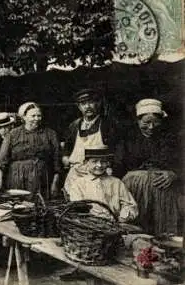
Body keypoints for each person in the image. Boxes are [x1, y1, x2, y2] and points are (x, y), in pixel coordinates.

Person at [115, 99, 181, 235]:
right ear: (138, 121)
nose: (151, 127)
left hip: (163, 190)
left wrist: (174, 174)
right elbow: (118, 166)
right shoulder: (128, 139)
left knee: (162, 231)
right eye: (146, 123)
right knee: (136, 226)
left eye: (155, 122)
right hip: (133, 190)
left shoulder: (172, 139)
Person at [0, 102, 61, 199]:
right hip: (16, 178)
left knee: (39, 206)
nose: (36, 119)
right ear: (24, 117)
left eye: (39, 116)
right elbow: (2, 160)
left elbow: (56, 159)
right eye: (33, 116)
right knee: (18, 206)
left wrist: (55, 182)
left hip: (41, 178)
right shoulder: (13, 134)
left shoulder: (50, 134)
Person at [63, 89, 121, 192]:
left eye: (91, 102)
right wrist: (66, 159)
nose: (87, 106)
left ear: (98, 103)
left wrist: (111, 168)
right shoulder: (74, 126)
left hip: (100, 173)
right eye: (83, 104)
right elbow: (67, 149)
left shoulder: (108, 124)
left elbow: (117, 151)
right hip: (76, 174)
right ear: (79, 107)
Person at [68, 145, 138, 222]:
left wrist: (123, 217)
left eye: (103, 161)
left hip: (114, 224)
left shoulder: (116, 183)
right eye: (94, 161)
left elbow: (130, 205)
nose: (99, 165)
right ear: (86, 163)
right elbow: (77, 208)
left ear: (108, 163)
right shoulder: (78, 184)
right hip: (88, 225)